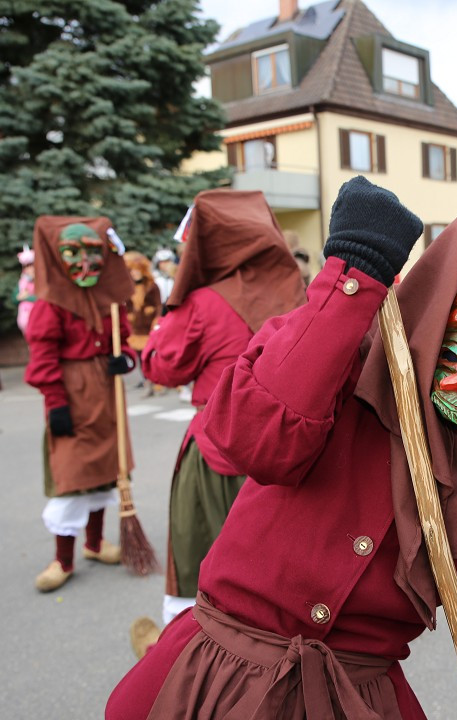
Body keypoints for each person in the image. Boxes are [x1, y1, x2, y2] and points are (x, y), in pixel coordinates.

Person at [106, 152, 457, 719]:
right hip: (212, 677)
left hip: (354, 698)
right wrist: (350, 278)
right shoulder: (352, 350)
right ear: (455, 276)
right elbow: (250, 438)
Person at [129, 190, 306, 655]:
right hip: (287, 452)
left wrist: (151, 339)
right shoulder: (297, 292)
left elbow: (164, 368)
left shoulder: (202, 302)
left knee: (200, 553)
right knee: (272, 566)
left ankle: (187, 657)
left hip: (218, 450)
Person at [24, 217, 137, 593]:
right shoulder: (50, 305)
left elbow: (125, 341)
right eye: (74, 252)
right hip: (72, 396)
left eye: (94, 252)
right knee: (72, 477)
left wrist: (126, 360)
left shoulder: (108, 302)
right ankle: (64, 558)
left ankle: (94, 543)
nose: (86, 262)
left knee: (106, 470)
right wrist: (56, 404)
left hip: (105, 394)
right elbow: (42, 358)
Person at [123, 251, 163, 394]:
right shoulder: (128, 288)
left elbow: (159, 306)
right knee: (141, 357)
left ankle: (158, 380)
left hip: (149, 328)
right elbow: (126, 306)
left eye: (137, 270)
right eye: (132, 271)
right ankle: (147, 382)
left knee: (153, 356)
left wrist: (155, 318)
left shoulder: (152, 286)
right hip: (137, 329)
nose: (135, 273)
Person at [16, 245, 37, 334]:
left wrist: (26, 297)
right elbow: (16, 296)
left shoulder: (41, 280)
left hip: (36, 313)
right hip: (25, 314)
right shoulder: (23, 280)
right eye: (26, 267)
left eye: (30, 266)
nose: (28, 269)